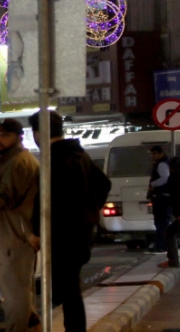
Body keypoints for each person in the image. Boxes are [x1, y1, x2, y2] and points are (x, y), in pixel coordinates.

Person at [27, 111, 111, 332]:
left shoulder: (53, 159)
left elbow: (46, 199)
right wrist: (89, 213)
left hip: (62, 234)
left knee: (67, 288)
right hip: (82, 231)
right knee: (67, 286)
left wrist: (37, 232)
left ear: (38, 134)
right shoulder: (79, 154)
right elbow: (104, 184)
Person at [0, 118, 41, 332]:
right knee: (20, 295)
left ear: (19, 137)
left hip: (15, 238)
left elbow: (7, 199)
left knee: (15, 297)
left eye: (5, 135)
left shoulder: (18, 162)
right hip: (12, 237)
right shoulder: (10, 161)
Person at [147, 146, 171, 254]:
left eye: (155, 153)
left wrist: (153, 184)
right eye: (152, 154)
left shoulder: (161, 164)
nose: (153, 156)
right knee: (162, 222)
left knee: (161, 222)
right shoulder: (162, 163)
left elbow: (165, 178)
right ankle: (162, 244)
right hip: (162, 197)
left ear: (161, 153)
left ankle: (162, 245)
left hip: (161, 197)